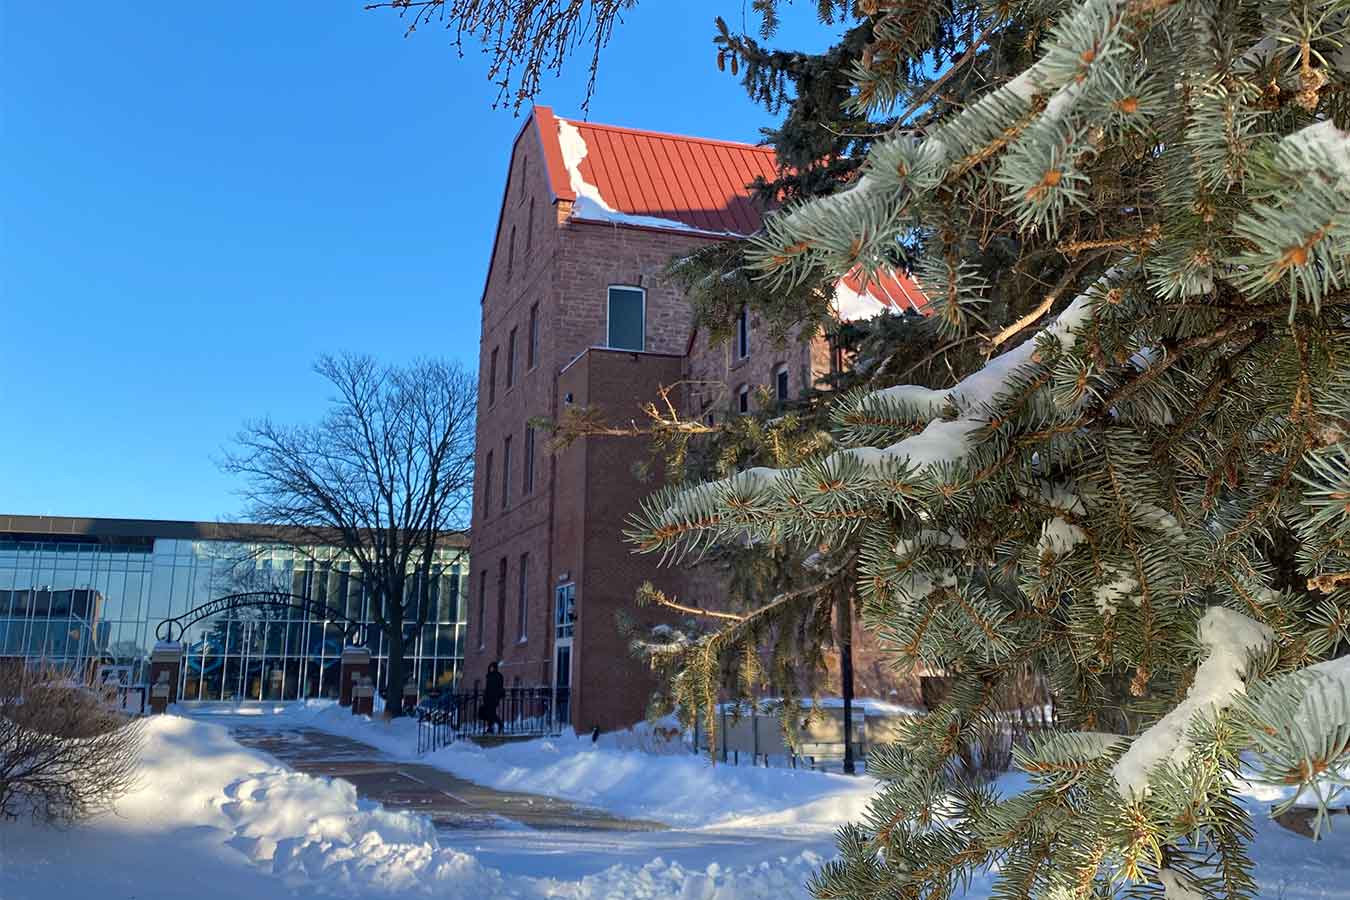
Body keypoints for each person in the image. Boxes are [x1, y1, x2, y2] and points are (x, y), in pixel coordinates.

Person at [482, 661, 505, 735]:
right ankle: (490, 728)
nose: (491, 669)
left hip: (494, 698)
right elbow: (487, 687)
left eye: (492, 667)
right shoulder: (488, 676)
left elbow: (500, 687)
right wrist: (485, 696)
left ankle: (499, 724)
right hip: (488, 698)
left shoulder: (498, 676)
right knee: (489, 713)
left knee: (491, 713)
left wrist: (498, 696)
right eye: (490, 667)